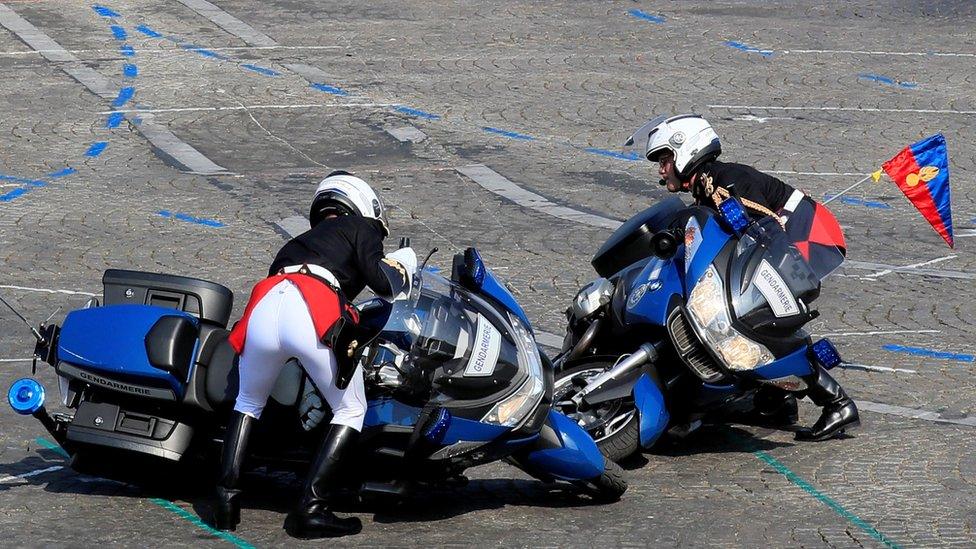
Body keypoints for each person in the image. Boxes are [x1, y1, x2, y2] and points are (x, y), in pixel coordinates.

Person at [628, 114, 858, 442]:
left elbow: (765, 229)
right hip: (789, 251)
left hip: (802, 246)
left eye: (665, 159)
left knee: (746, 326)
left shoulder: (720, 181)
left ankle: (837, 404)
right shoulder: (709, 182)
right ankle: (776, 402)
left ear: (685, 152)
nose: (661, 169)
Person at [212, 171, 411, 538]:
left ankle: (226, 502)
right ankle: (312, 508)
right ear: (362, 207)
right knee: (351, 409)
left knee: (247, 402)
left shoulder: (297, 243)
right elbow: (384, 285)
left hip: (266, 302)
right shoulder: (359, 227)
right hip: (311, 305)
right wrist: (404, 264)